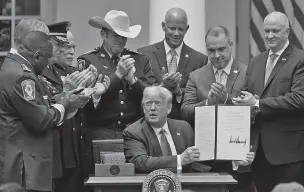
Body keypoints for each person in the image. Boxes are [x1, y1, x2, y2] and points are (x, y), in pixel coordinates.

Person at [0, 31, 90, 192]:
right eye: (48, 58)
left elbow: (38, 106)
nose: (49, 63)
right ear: (37, 56)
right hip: (25, 166)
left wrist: (66, 97)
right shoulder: (23, 76)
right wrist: (66, 102)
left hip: (21, 162)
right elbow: (41, 120)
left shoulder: (13, 66)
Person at [77, 10, 155, 177]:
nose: (121, 40)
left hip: (133, 134)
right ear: (103, 34)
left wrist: (133, 81)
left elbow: (151, 97)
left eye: (124, 36)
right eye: (116, 35)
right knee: (102, 183)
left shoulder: (140, 60)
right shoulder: (89, 60)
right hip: (100, 133)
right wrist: (118, 76)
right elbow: (86, 103)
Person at [232, 11, 304, 192]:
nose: (270, 36)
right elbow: (246, 94)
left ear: (287, 32)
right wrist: (242, 100)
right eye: (267, 31)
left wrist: (256, 104)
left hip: (289, 153)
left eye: (275, 31)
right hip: (257, 152)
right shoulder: (255, 61)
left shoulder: (300, 59)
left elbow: (298, 99)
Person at [180, 26, 254, 192]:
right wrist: (208, 103)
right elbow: (185, 111)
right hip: (205, 163)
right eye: (211, 50)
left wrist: (226, 99)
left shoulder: (247, 72)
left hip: (239, 160)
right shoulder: (196, 76)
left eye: (222, 49)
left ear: (231, 45)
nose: (217, 55)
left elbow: (254, 111)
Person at [41, 21, 108, 192]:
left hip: (74, 150)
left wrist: (95, 95)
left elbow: (83, 112)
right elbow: (44, 107)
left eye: (70, 46)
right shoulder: (39, 72)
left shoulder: (66, 71)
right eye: (62, 45)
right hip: (54, 150)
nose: (68, 51)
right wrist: (67, 94)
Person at [137, 7, 208, 120]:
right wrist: (161, 88)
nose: (176, 33)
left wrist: (178, 91)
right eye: (172, 28)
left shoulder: (199, 59)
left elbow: (199, 98)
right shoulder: (144, 54)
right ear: (163, 26)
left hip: (183, 125)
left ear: (187, 28)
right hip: (150, 124)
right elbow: (139, 91)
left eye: (180, 29)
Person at [123, 85, 200, 173]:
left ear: (169, 108)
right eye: (148, 104)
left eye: (157, 103)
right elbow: (141, 163)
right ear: (144, 108)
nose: (152, 108)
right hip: (150, 184)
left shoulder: (184, 127)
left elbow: (198, 159)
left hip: (185, 184)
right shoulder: (133, 132)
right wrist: (179, 160)